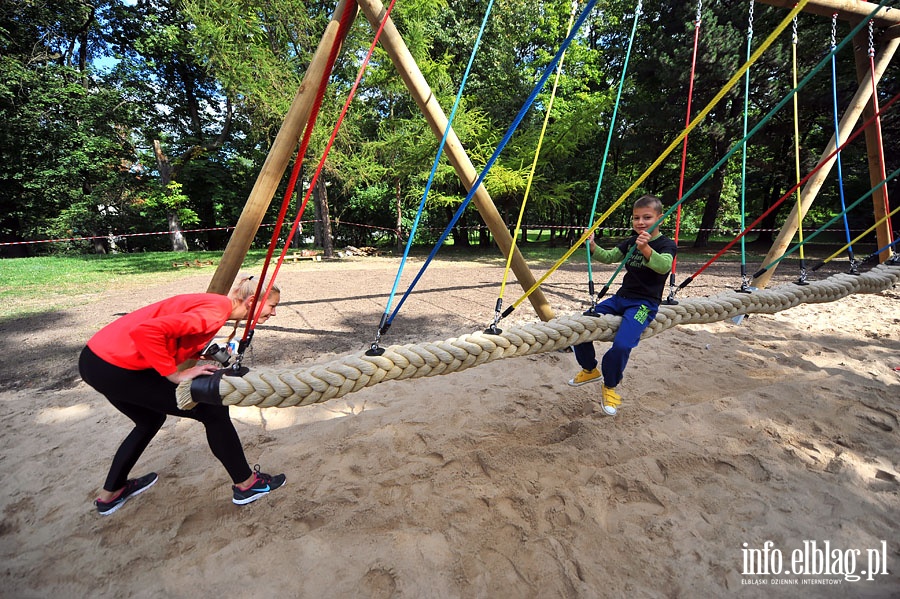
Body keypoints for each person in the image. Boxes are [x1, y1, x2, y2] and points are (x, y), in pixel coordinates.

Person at [79, 275, 286, 515]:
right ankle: (247, 485)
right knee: (212, 410)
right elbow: (146, 332)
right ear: (252, 301)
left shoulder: (216, 305)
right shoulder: (215, 313)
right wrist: (174, 375)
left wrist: (201, 353)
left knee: (150, 420)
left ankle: (111, 494)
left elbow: (174, 331)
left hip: (95, 360)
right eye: (273, 306)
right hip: (115, 366)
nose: (273, 313)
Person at [568, 195, 677, 416]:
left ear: (660, 219)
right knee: (581, 324)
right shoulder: (630, 241)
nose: (641, 222)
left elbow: (663, 266)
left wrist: (646, 248)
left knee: (622, 345)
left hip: (645, 305)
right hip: (620, 299)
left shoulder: (667, 244)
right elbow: (609, 257)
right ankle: (589, 369)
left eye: (647, 217)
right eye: (636, 218)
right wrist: (592, 245)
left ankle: (609, 385)